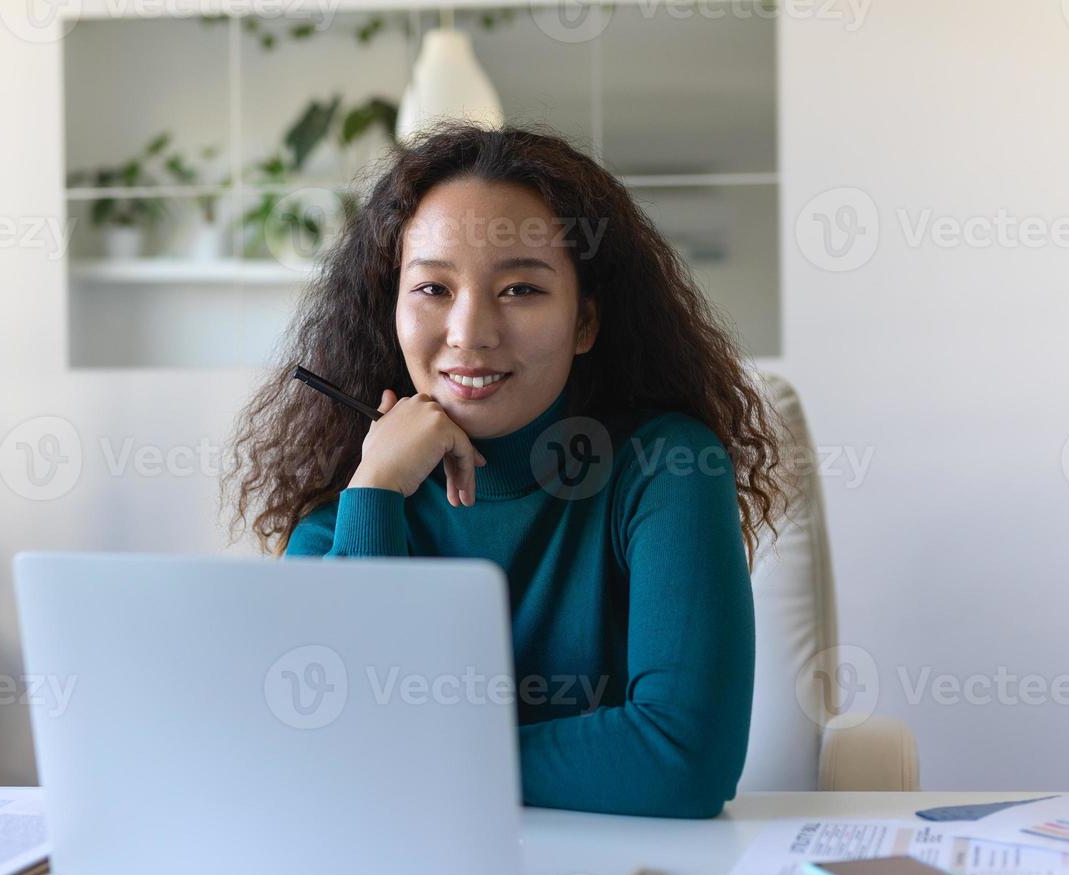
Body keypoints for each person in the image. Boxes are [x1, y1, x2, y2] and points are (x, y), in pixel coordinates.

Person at [222, 123, 786, 818]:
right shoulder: (353, 507)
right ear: (389, 312)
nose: (470, 331)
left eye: (520, 289)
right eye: (432, 288)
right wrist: (375, 493)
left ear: (585, 323)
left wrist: (412, 756)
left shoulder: (666, 467)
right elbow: (321, 752)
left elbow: (681, 759)